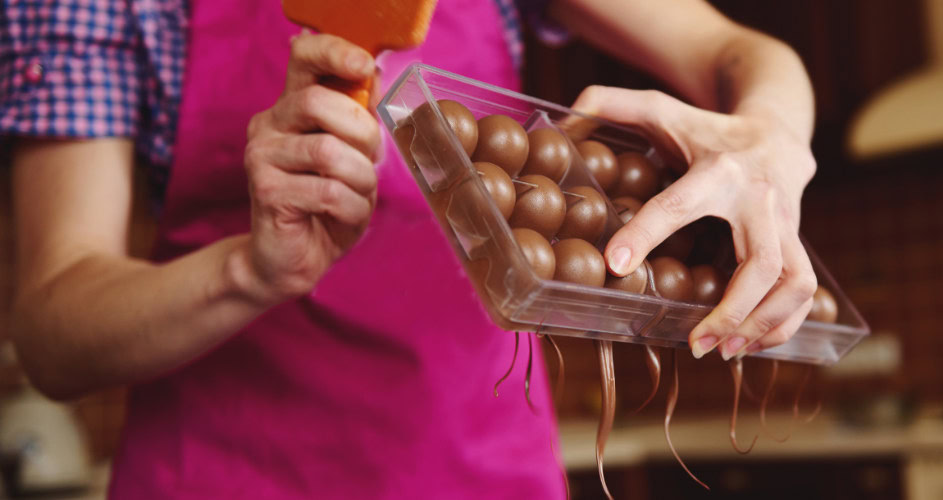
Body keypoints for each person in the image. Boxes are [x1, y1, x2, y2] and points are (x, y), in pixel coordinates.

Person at [3, 0, 818, 497]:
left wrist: (772, 141)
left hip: (484, 472)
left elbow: (740, 55)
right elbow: (52, 330)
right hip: (223, 472)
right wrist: (249, 270)